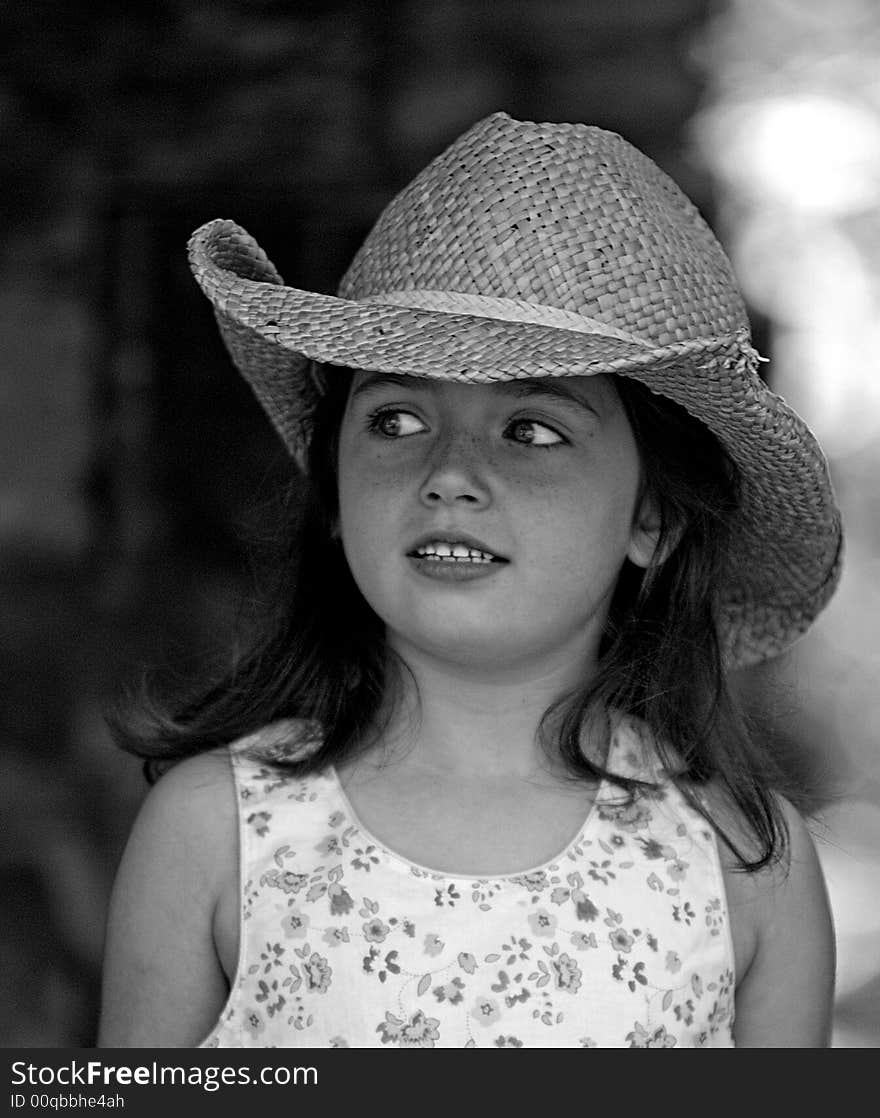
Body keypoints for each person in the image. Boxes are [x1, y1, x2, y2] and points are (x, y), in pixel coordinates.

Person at [97, 112, 842, 1048]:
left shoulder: (744, 864)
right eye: (397, 421)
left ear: (652, 519)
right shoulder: (216, 832)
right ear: (333, 489)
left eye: (531, 430)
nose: (449, 472)